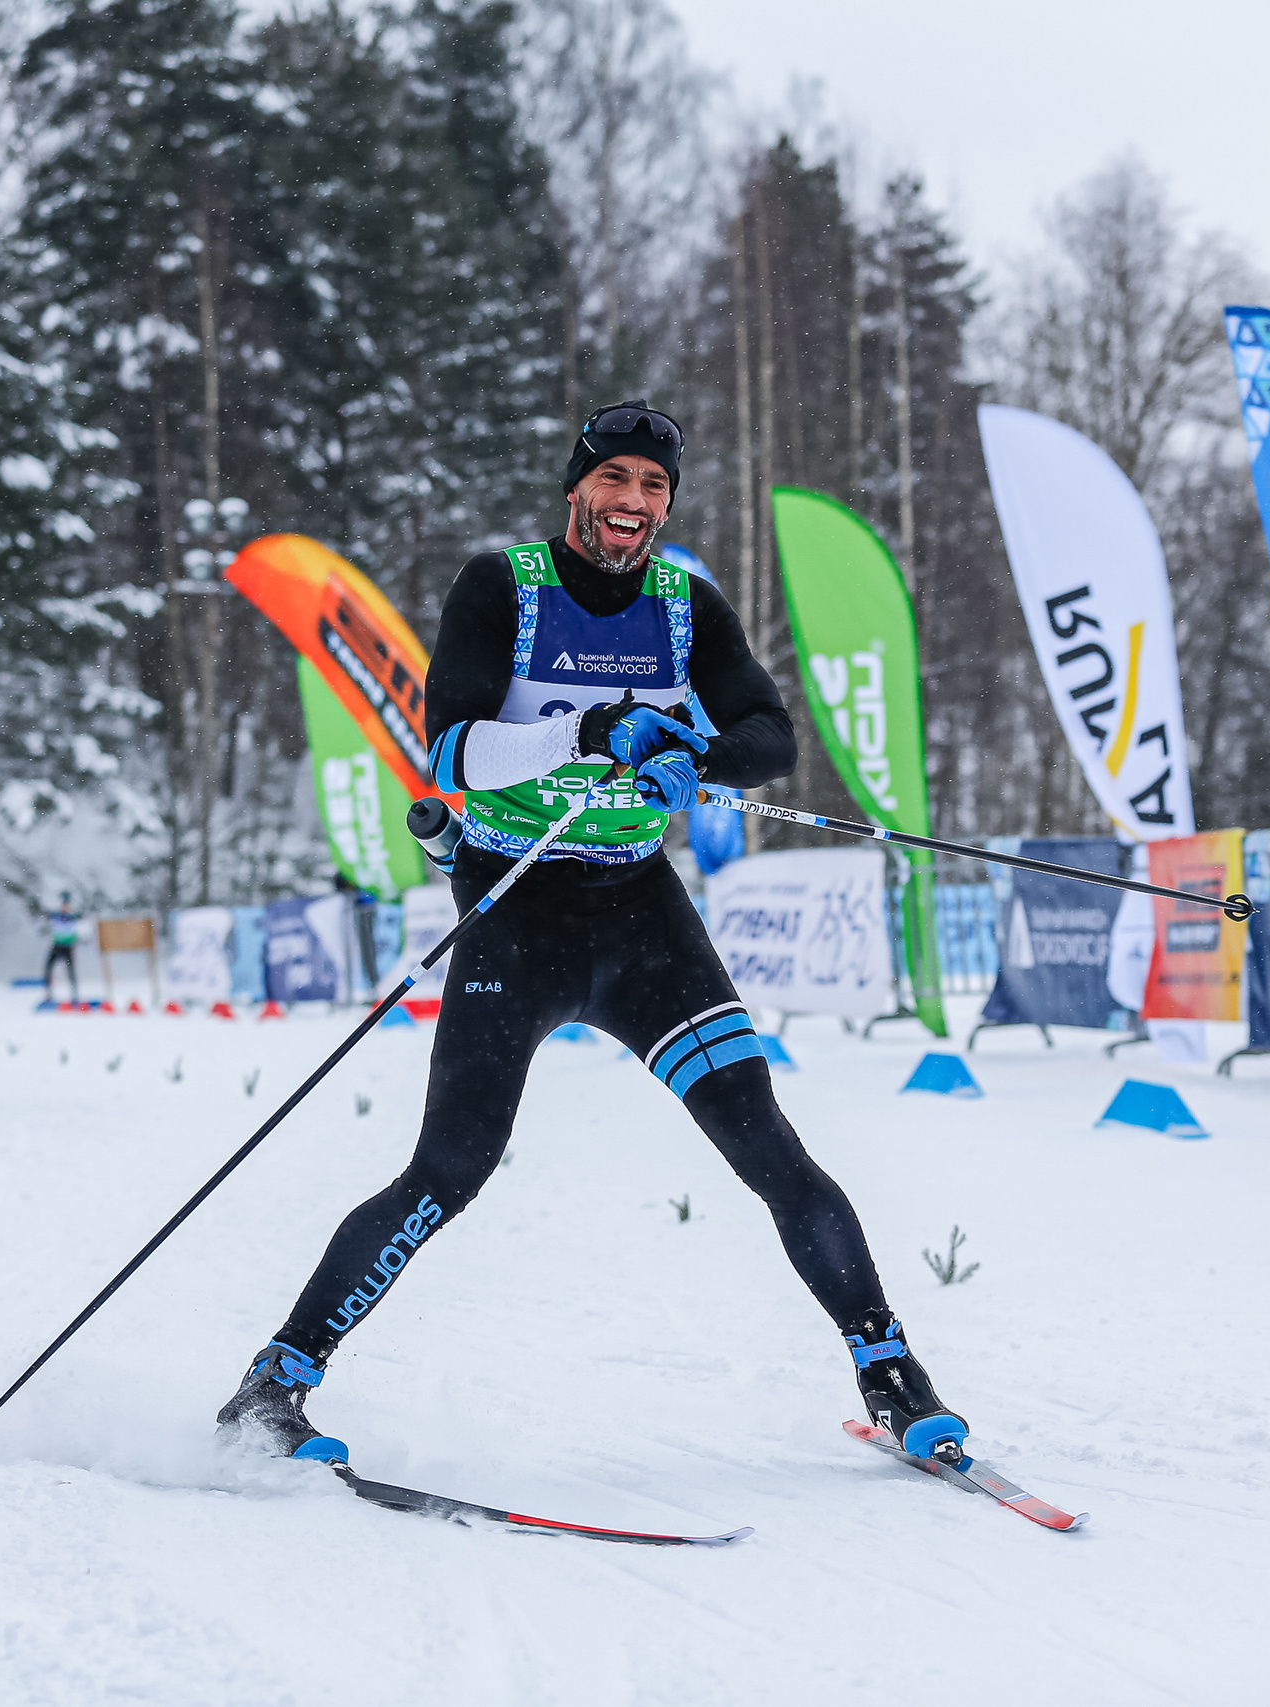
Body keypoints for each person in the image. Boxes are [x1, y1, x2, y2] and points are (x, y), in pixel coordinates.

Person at [217, 402, 968, 1465]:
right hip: (517, 907)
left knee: (768, 1145)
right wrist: (596, 728)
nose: (633, 504)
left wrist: (692, 755)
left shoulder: (684, 605)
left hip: (639, 913)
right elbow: (457, 755)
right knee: (449, 1170)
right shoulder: (502, 587)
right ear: (578, 488)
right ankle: (276, 1380)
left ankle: (889, 1372)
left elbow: (769, 736)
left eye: (653, 487)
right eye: (615, 480)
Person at [43, 891, 83, 1005]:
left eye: (67, 905)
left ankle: (75, 995)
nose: (65, 907)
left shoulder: (72, 917)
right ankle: (48, 993)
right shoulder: (56, 916)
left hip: (68, 947)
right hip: (57, 946)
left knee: (71, 971)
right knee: (48, 968)